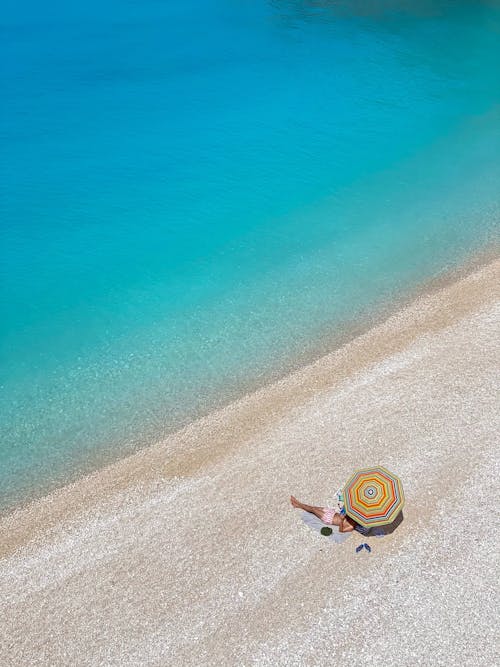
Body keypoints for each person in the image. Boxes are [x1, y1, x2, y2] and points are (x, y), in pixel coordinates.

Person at [290, 495, 370, 535]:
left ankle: (298, 504)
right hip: (332, 512)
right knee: (313, 508)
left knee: (313, 510)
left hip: (329, 519)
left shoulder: (351, 526)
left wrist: (342, 520)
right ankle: (298, 505)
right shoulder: (352, 517)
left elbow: (341, 531)